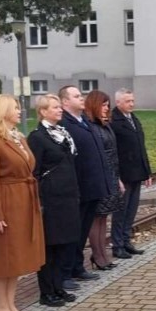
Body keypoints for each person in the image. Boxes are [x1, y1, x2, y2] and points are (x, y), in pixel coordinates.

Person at [0, 94, 44, 311]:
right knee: (3, 257)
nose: (20, 111)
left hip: (24, 200)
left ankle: (10, 303)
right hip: (7, 202)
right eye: (15, 107)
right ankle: (0, 306)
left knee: (16, 256)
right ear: (2, 110)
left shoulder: (19, 137)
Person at [27, 94, 81, 306]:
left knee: (65, 245)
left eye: (60, 107)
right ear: (43, 112)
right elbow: (35, 171)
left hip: (68, 196)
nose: (60, 110)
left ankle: (59, 286)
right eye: (55, 107)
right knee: (50, 246)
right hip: (51, 200)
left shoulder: (63, 134)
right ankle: (47, 291)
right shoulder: (38, 137)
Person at [59, 86, 108, 282]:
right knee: (73, 230)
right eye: (77, 96)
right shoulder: (65, 123)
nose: (82, 98)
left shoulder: (84, 120)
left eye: (81, 95)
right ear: (65, 102)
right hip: (79, 187)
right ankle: (67, 269)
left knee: (83, 229)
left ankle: (77, 266)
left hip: (93, 186)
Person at [109, 88, 152, 259]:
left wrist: (147, 172)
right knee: (121, 210)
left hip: (137, 173)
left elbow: (141, 147)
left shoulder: (133, 119)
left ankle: (126, 241)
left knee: (132, 209)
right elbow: (113, 151)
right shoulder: (114, 121)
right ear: (118, 102)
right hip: (124, 174)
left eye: (132, 100)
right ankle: (117, 244)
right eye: (128, 101)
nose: (132, 104)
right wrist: (117, 176)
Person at [84, 90, 123, 269]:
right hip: (100, 177)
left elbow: (113, 154)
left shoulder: (105, 125)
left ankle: (102, 255)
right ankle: (98, 255)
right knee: (96, 217)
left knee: (103, 217)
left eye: (108, 105)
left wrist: (118, 179)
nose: (107, 109)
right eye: (103, 105)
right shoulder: (92, 126)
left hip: (111, 176)